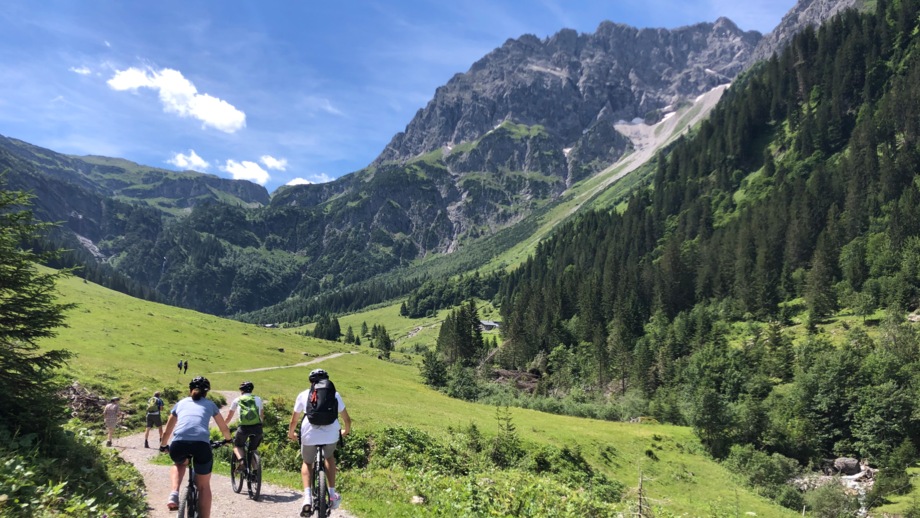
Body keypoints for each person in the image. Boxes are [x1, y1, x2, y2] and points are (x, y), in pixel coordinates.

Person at [159, 376, 232, 517]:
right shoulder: (210, 405)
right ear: (206, 392)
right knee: (204, 487)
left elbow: (168, 429)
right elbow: (223, 428)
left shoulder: (180, 403)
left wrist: (163, 445)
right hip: (201, 446)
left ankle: (174, 492)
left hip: (179, 444)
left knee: (179, 463)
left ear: (190, 390)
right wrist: (228, 440)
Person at [288, 368, 351, 515]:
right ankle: (332, 494)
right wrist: (346, 431)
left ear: (311, 381)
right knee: (329, 457)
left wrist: (291, 434)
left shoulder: (303, 395)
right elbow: (347, 419)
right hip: (331, 434)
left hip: (309, 434)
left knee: (307, 462)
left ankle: (307, 498)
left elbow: (293, 420)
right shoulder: (334, 394)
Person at [224, 381, 264, 470]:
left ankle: (242, 461)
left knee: (237, 445)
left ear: (241, 390)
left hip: (243, 428)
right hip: (257, 428)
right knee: (252, 449)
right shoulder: (258, 399)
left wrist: (223, 426)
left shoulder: (237, 400)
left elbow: (229, 417)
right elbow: (261, 416)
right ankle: (255, 472)